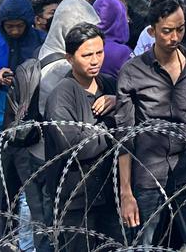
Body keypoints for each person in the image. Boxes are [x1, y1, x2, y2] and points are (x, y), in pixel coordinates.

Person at [116, 0, 186, 252]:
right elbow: (124, 137)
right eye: (167, 31)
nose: (175, 37)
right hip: (148, 172)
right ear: (152, 31)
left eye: (180, 29)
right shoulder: (133, 72)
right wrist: (126, 192)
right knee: (144, 244)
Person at [0, 0, 49, 249]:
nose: (14, 31)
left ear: (28, 22)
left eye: (19, 26)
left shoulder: (42, 44)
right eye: (9, 27)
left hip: (30, 132)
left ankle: (41, 245)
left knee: (36, 198)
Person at [43, 23, 122, 250]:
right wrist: (111, 125)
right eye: (87, 55)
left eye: (99, 52)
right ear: (69, 58)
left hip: (110, 193)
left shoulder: (110, 85)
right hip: (77, 199)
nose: (95, 60)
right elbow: (76, 146)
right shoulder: (62, 96)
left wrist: (119, 102)